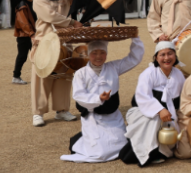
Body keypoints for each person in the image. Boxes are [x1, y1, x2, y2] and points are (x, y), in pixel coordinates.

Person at [61, 34, 145, 163]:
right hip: (92, 117)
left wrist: (135, 38)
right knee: (100, 153)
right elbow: (78, 95)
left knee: (122, 146)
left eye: (102, 53)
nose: (99, 56)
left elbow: (133, 59)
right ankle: (82, 140)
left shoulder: (114, 67)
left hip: (112, 117)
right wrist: (98, 98)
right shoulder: (81, 73)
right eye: (94, 53)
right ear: (88, 54)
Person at [121, 40, 186, 166]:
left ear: (175, 56)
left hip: (170, 113)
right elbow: (142, 97)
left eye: (170, 54)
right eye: (162, 55)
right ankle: (145, 154)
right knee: (154, 121)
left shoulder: (178, 74)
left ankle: (161, 153)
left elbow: (182, 97)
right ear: (156, 57)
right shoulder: (148, 74)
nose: (166, 58)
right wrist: (159, 110)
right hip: (143, 111)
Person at [30, 0, 80, 127]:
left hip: (65, 41)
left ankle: (62, 110)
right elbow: (50, 16)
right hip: (46, 41)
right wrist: (72, 23)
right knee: (42, 76)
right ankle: (38, 113)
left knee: (64, 76)